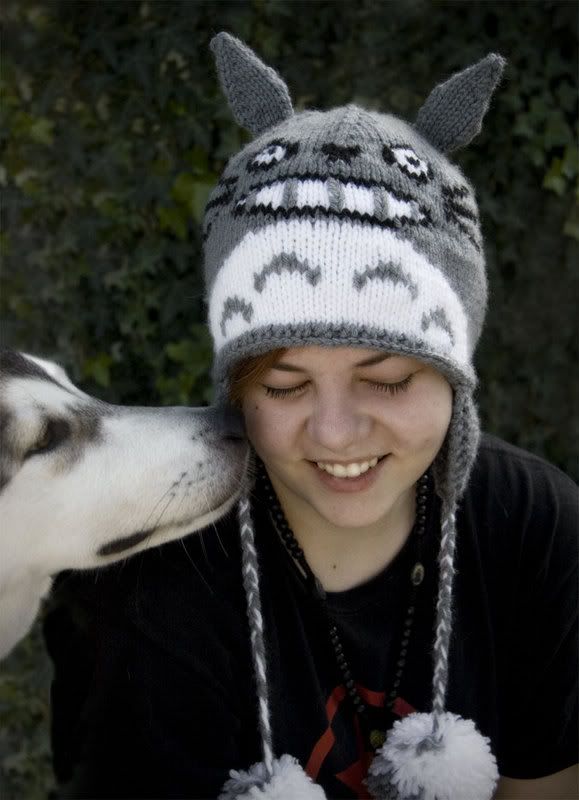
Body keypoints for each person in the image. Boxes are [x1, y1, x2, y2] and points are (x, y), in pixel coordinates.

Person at [43, 32, 578, 800]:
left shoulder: (532, 527)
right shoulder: (147, 589)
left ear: (456, 378)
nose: (333, 434)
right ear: (234, 387)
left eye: (387, 379)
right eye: (285, 385)